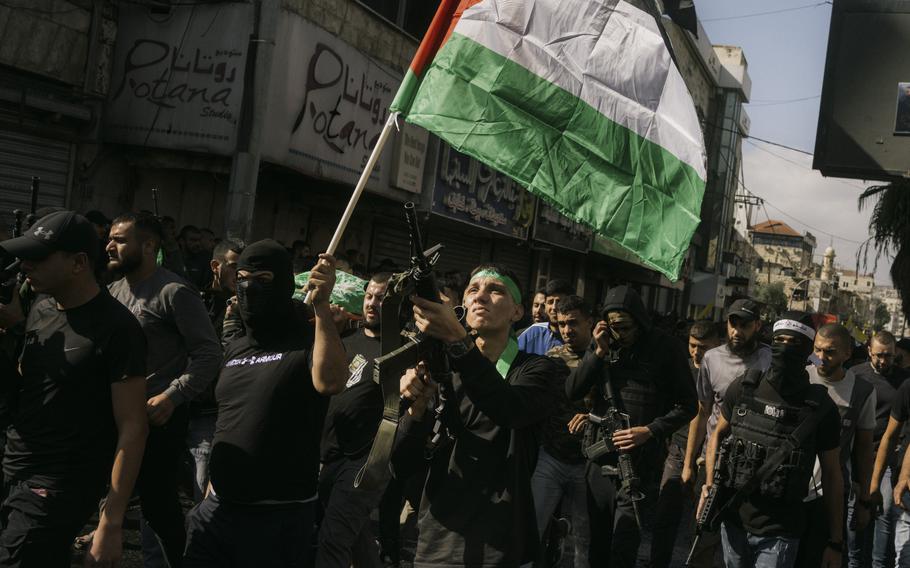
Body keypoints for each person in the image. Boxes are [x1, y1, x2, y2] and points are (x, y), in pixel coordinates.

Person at [184, 240, 346, 567]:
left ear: (285, 284)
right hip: (217, 510)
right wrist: (210, 495)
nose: (249, 287)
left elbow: (330, 382)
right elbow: (229, 418)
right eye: (242, 277)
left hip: (277, 518)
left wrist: (321, 307)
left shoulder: (306, 339)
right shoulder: (237, 347)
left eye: (263, 280)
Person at [0, 211, 148, 567]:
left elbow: (133, 426)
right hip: (12, 466)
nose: (24, 266)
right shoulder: (41, 307)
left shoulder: (118, 329)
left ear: (79, 262)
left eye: (38, 257)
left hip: (55, 485)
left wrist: (110, 522)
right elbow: (30, 387)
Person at [396, 264, 564, 566]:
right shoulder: (441, 370)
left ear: (517, 312)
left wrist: (458, 340)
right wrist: (415, 409)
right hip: (437, 544)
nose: (480, 297)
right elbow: (402, 464)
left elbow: (507, 408)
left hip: (502, 548)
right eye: (473, 290)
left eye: (495, 290)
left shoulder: (539, 370)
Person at [107, 212, 222, 568]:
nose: (110, 245)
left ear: (149, 245)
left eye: (121, 240)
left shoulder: (174, 291)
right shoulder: (114, 290)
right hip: (116, 414)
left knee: (159, 507)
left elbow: (208, 353)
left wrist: (173, 396)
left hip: (157, 420)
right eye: (110, 238)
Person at [699, 311, 843, 568]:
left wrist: (835, 540)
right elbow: (717, 436)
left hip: (781, 531)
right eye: (781, 340)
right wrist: (709, 486)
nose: (786, 348)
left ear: (808, 348)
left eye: (795, 342)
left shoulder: (821, 407)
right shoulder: (745, 389)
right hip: (734, 521)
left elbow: (832, 475)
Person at [567, 285, 697, 567]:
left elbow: (688, 405)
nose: (621, 335)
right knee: (596, 546)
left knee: (625, 544)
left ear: (639, 321)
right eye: (615, 328)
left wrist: (649, 431)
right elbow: (572, 391)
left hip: (638, 465)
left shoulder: (665, 348)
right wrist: (598, 352)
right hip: (600, 460)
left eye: (626, 328)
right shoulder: (603, 343)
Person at [681, 300, 771, 566]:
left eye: (744, 325)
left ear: (757, 326)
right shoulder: (712, 359)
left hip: (756, 467)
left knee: (741, 545)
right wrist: (689, 463)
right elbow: (702, 412)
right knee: (702, 538)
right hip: (715, 464)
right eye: (733, 324)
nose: (737, 331)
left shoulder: (770, 360)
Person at [317, 273, 391, 567]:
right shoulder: (346, 336)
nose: (373, 303)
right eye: (370, 296)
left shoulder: (400, 348)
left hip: (364, 460)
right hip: (329, 454)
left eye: (382, 297)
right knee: (354, 534)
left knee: (332, 540)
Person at [796, 324, 875, 566]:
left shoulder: (862, 391)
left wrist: (864, 500)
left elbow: (863, 448)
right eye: (817, 350)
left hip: (830, 494)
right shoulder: (799, 378)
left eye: (829, 352)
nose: (821, 358)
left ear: (847, 354)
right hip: (791, 488)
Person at [650, 319, 721, 568]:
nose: (696, 352)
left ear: (717, 345)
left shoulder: (720, 372)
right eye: (692, 345)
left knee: (701, 523)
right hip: (678, 449)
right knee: (665, 514)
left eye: (703, 347)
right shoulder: (682, 370)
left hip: (710, 455)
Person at [531, 295, 594, 567]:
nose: (568, 330)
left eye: (574, 323)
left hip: (588, 464)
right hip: (551, 457)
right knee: (531, 528)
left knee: (585, 540)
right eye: (562, 324)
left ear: (590, 322)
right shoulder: (553, 358)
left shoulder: (605, 359)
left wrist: (593, 418)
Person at [187, 239, 244, 504]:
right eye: (234, 267)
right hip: (178, 404)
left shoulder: (244, 310)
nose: (239, 274)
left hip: (211, 413)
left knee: (203, 490)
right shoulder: (192, 301)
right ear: (215, 266)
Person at [858, 331, 910, 567]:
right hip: (859, 455)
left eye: (888, 355)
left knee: (885, 513)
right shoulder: (856, 375)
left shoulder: (904, 380)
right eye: (878, 355)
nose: (883, 360)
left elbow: (894, 433)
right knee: (856, 516)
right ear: (869, 350)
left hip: (889, 458)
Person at [518, 279, 573, 355]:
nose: (554, 307)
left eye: (559, 302)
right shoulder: (533, 332)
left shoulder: (575, 337)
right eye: (550, 302)